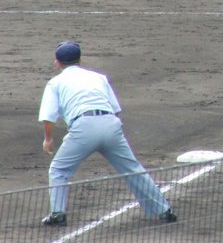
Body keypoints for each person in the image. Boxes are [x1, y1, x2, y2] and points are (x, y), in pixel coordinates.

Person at [38, 41, 177, 227]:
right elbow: (115, 110)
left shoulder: (55, 82)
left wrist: (48, 139)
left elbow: (49, 117)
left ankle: (58, 214)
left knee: (58, 170)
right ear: (80, 60)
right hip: (111, 124)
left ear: (57, 63)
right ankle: (164, 211)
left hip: (83, 127)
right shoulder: (99, 78)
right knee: (133, 169)